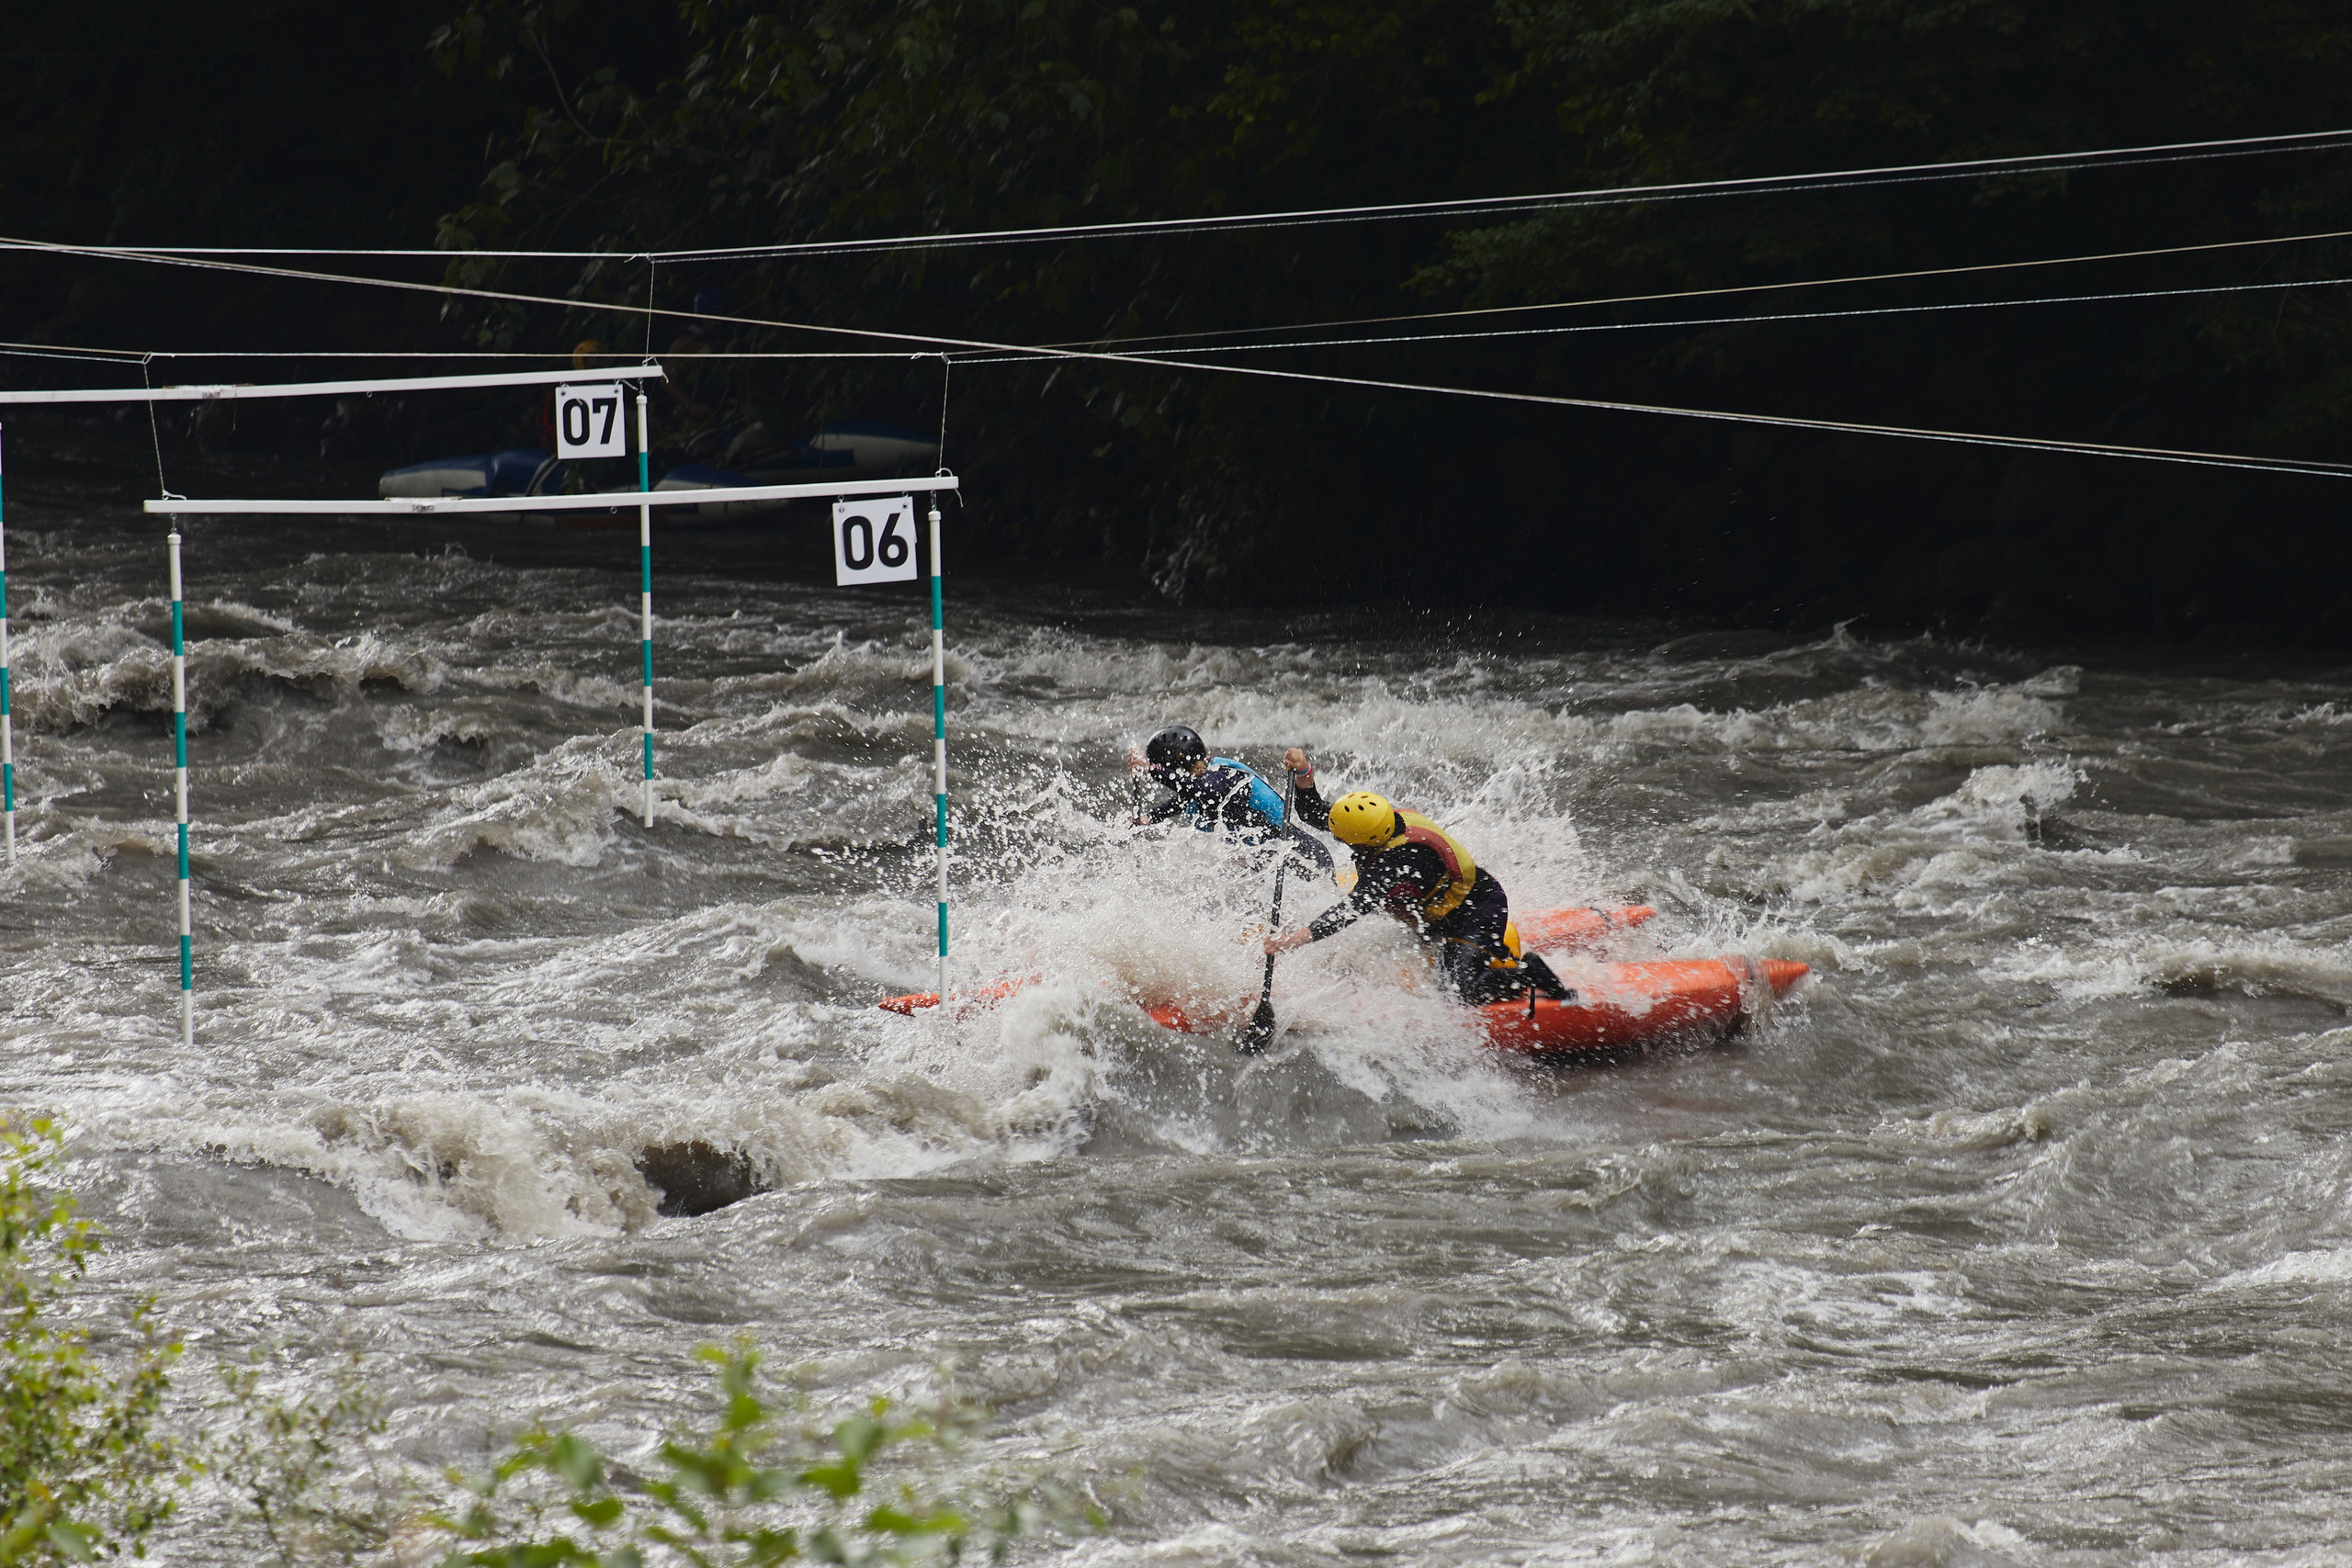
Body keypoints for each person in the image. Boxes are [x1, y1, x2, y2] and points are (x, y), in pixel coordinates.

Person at [1264, 747, 1569, 1006]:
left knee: (1461, 991)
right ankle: (1479, 951)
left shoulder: (1400, 859)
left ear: (1365, 840)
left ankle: (1529, 972)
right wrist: (1303, 772)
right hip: (1433, 914)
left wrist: (1293, 940)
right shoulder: (1375, 823)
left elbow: (1353, 908)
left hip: (1475, 910)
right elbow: (1315, 813)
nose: (1339, 839)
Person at [1128, 726, 1334, 879]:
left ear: (1179, 769)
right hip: (1275, 869)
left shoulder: (1224, 777)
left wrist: (1151, 770)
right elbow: (1185, 798)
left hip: (1308, 863)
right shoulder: (1202, 783)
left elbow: (1203, 789)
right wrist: (1150, 818)